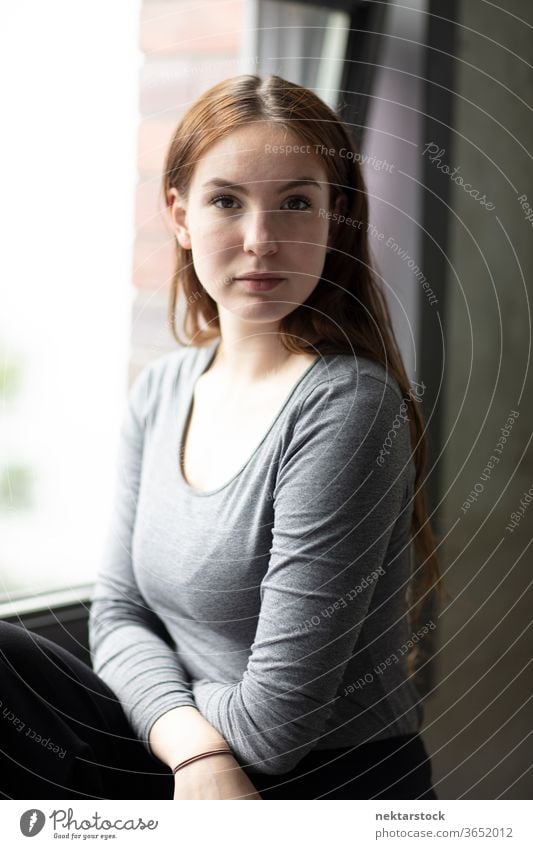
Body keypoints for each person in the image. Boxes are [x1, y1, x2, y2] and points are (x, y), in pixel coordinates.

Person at [0, 74, 445, 800]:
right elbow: (116, 614)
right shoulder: (163, 390)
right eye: (225, 201)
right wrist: (192, 748)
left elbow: (275, 727)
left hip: (324, 787)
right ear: (179, 214)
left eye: (296, 202)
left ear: (337, 218)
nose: (260, 240)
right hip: (196, 765)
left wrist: (167, 716)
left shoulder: (348, 408)